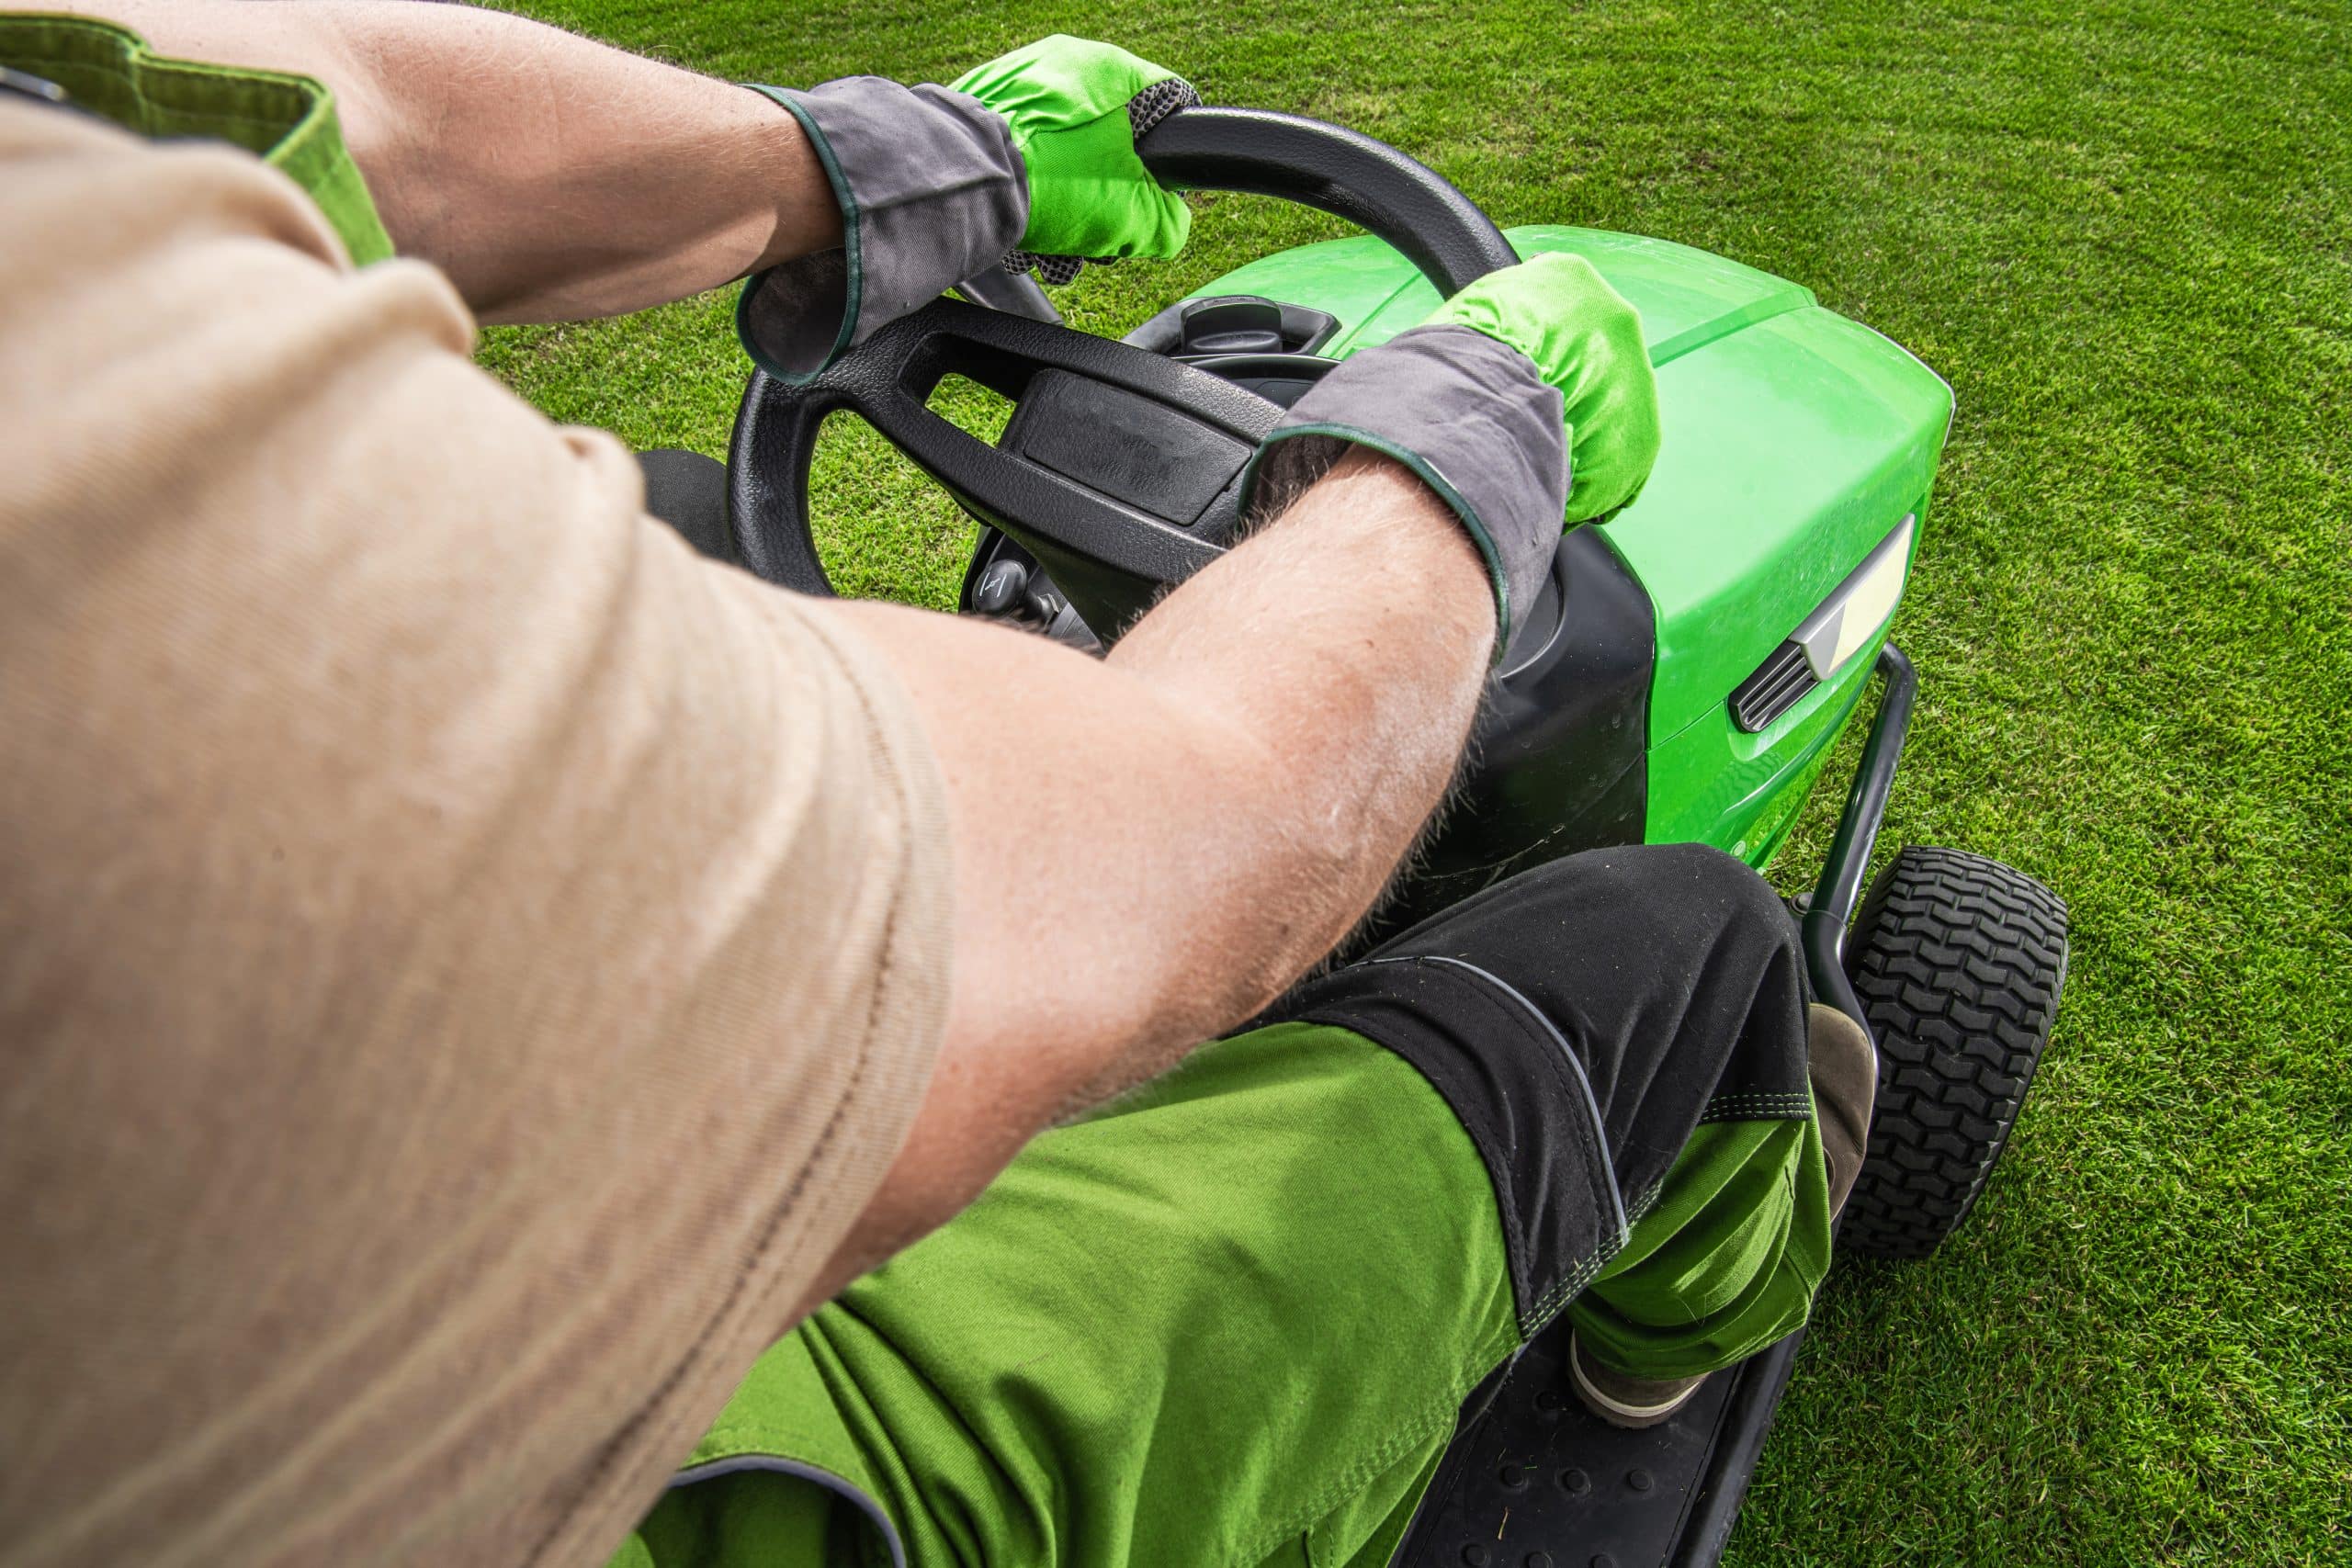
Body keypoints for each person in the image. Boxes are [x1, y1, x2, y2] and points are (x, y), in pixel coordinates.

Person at [0, 5, 1876, 1565]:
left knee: (662, 514)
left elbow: (247, 123)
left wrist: (869, 162)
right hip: (665, 1468)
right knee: (1680, 957)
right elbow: (1150, 857)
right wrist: (1444, 463)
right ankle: (1647, 1365)